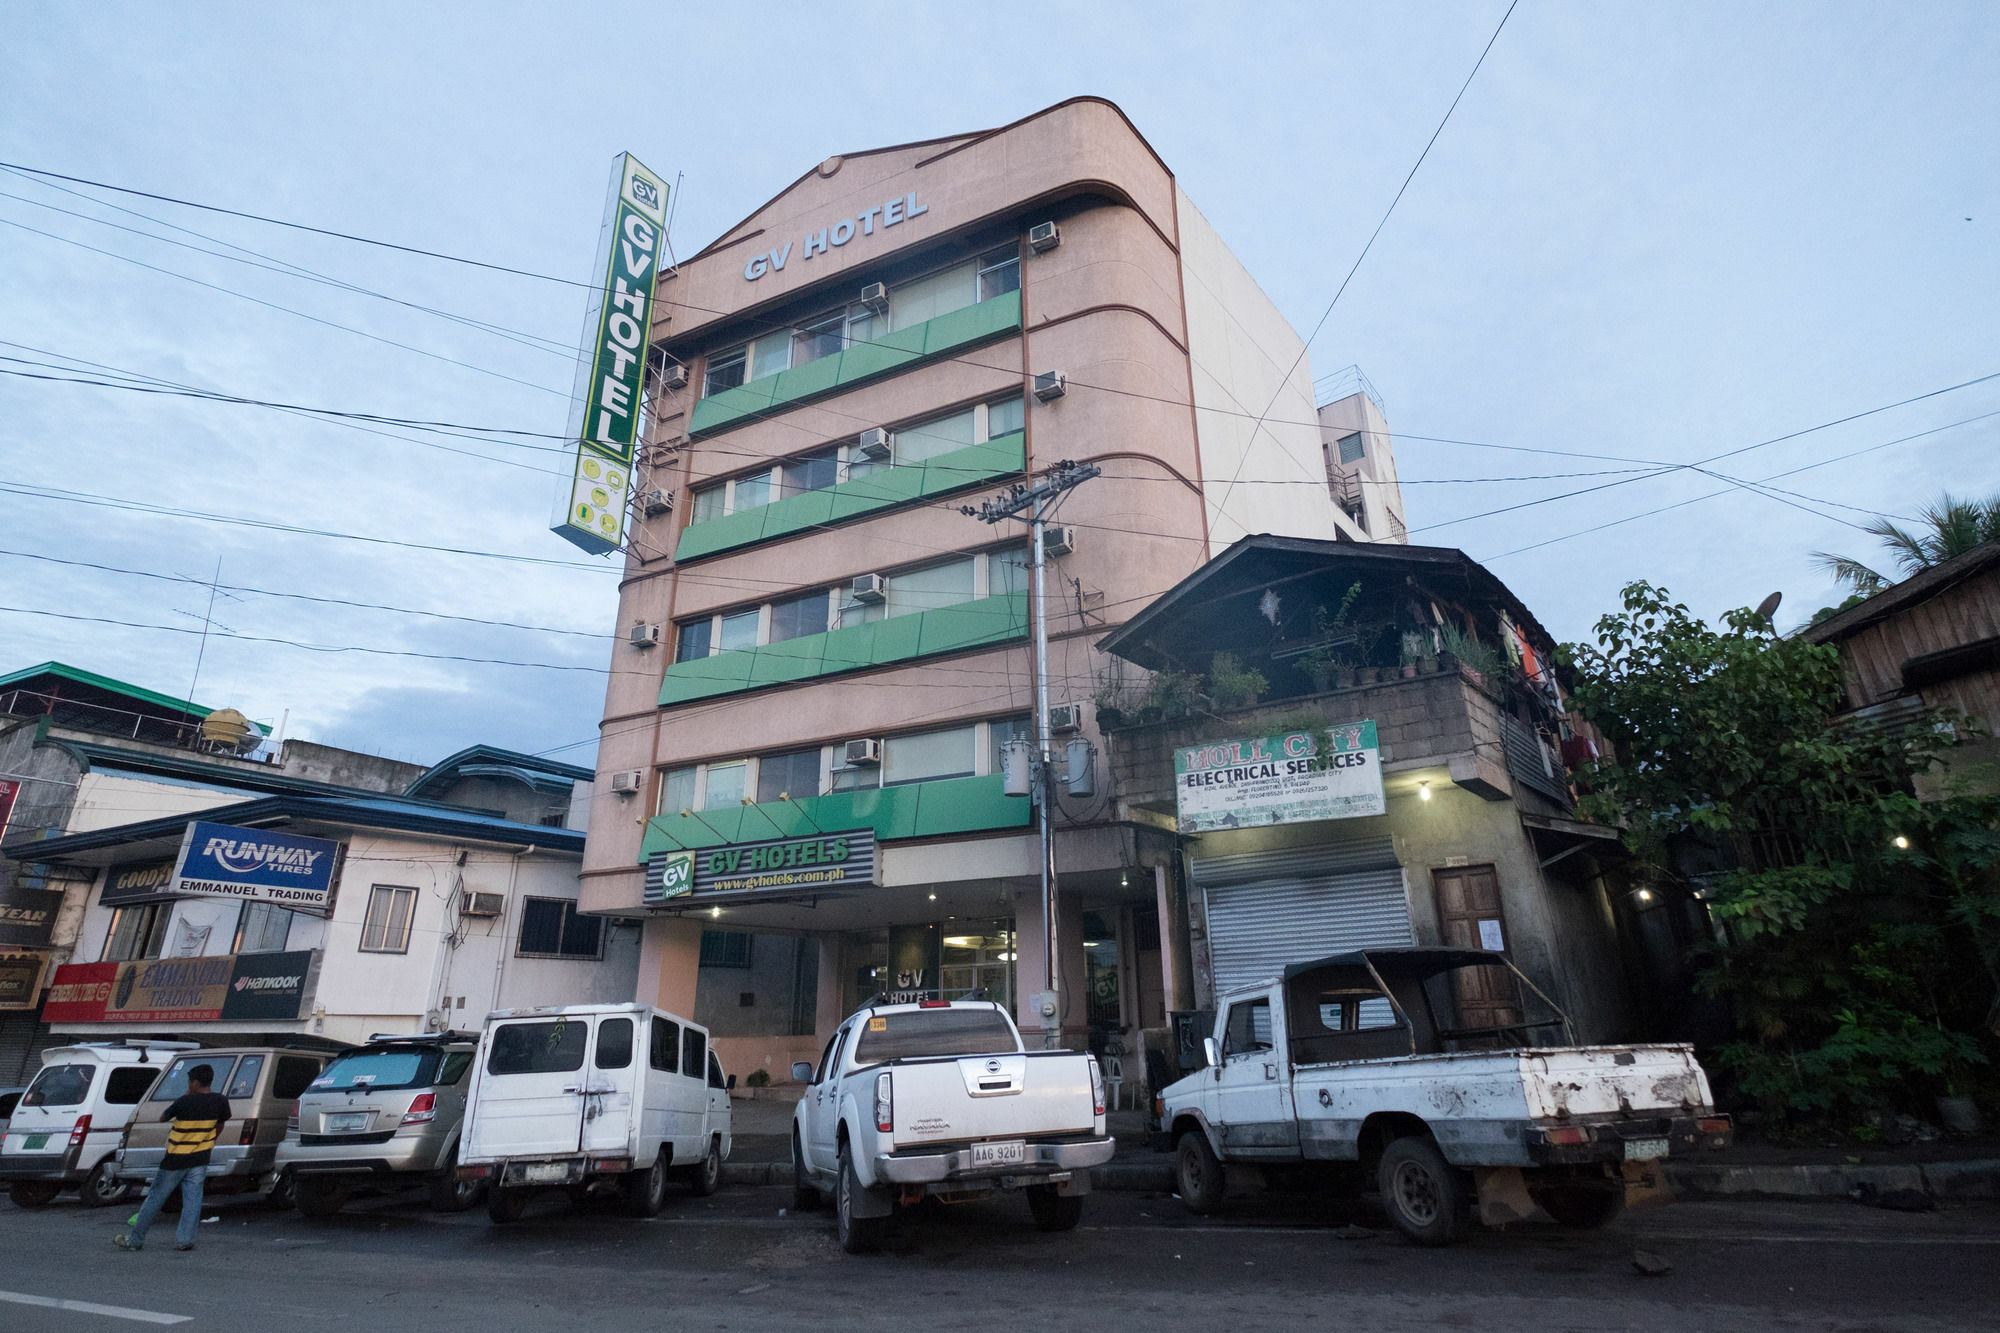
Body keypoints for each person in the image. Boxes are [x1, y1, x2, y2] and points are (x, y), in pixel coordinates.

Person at [114, 1063, 231, 1252]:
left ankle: (135, 1240)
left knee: (155, 1198)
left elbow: (163, 1117)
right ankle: (185, 1240)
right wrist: (210, 1140)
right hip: (200, 1157)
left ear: (194, 1082)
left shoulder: (183, 1102)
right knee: (193, 1200)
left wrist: (186, 1094)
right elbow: (220, 1125)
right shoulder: (220, 1101)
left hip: (175, 1159)